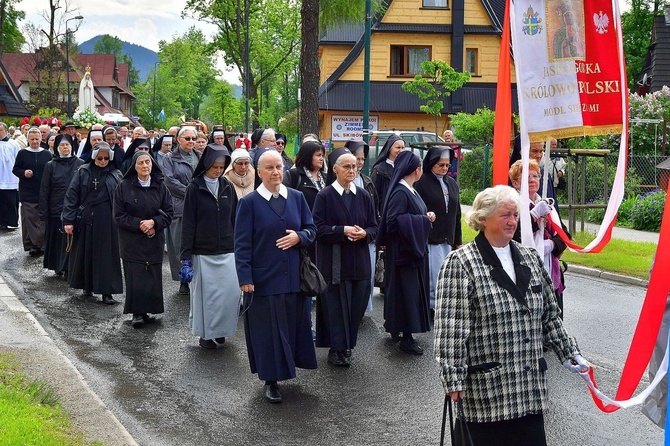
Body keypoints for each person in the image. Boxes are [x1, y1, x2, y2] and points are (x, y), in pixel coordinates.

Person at [434, 185, 587, 445]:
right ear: (483, 218)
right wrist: (452, 377)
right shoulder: (461, 262)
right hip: (487, 396)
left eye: (516, 215)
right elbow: (451, 329)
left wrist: (569, 352)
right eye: (506, 214)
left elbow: (549, 316)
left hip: (528, 393)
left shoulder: (530, 258)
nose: (513, 221)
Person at [234, 150, 317, 403]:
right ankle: (270, 380)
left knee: (293, 326)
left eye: (279, 167)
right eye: (269, 168)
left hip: (293, 277)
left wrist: (299, 237)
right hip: (264, 279)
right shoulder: (249, 203)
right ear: (259, 173)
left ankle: (290, 369)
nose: (275, 172)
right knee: (268, 332)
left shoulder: (297, 197)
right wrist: (245, 278)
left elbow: (311, 229)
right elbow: (242, 244)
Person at [313, 151, 378, 367]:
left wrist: (365, 234)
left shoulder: (363, 195)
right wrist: (342, 230)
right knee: (335, 306)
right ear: (335, 169)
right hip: (334, 262)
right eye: (346, 167)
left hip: (358, 260)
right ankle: (335, 348)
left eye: (355, 166)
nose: (352, 170)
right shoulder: (325, 196)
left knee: (355, 304)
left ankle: (348, 345)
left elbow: (374, 226)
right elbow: (318, 229)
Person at [181, 144, 239, 348]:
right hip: (203, 253)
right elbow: (188, 224)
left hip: (227, 250)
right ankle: (206, 335)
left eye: (222, 167)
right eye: (215, 166)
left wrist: (239, 246)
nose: (218, 170)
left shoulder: (227, 186)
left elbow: (235, 219)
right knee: (207, 298)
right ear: (206, 165)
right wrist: (185, 257)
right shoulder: (194, 188)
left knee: (228, 295)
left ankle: (221, 330)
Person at [377, 150, 433, 355]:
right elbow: (394, 221)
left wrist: (424, 216)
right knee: (407, 294)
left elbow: (406, 216)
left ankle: (397, 327)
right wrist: (423, 221)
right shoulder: (401, 192)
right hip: (404, 254)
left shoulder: (410, 190)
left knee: (404, 293)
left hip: (408, 252)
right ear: (416, 170)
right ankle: (407, 337)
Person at [114, 151, 173, 328]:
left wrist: (154, 222)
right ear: (134, 167)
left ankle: (149, 309)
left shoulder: (160, 186)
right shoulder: (124, 186)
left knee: (152, 276)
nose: (145, 166)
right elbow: (118, 215)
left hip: (153, 237)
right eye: (141, 163)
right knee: (136, 276)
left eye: (148, 162)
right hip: (132, 239)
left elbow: (169, 213)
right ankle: (137, 313)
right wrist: (139, 223)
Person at [62, 142, 123, 305]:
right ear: (94, 157)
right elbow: (71, 196)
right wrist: (68, 220)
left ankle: (107, 291)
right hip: (86, 220)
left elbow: (123, 199)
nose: (103, 161)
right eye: (100, 158)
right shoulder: (83, 172)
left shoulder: (116, 174)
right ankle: (86, 286)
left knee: (107, 257)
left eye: (105, 158)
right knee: (85, 253)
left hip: (108, 222)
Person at [509, 159, 568, 316]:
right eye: (526, 177)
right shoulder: (512, 206)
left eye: (535, 176)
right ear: (515, 183)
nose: (532, 180)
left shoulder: (546, 205)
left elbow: (565, 236)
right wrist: (534, 215)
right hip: (524, 274)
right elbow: (514, 235)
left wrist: (550, 245)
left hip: (550, 272)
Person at [414, 146, 462, 312]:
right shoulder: (421, 182)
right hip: (431, 238)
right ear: (432, 162)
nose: (444, 168)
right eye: (440, 164)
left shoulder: (452, 183)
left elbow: (457, 214)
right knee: (432, 276)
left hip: (448, 238)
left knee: (446, 276)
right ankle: (430, 307)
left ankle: (441, 306)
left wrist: (458, 240)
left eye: (447, 165)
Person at [163, 126, 201, 296]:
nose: (191, 142)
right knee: (179, 243)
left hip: (199, 206)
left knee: (197, 242)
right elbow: (169, 181)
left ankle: (198, 276)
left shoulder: (200, 156)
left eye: (194, 139)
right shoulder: (169, 158)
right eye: (187, 139)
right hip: (179, 206)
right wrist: (191, 193)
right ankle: (183, 280)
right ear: (178, 140)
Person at [39, 135, 84, 276]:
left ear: (72, 146)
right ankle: (59, 265)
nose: (65, 147)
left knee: (72, 239)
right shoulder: (50, 165)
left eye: (68, 145)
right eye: (62, 145)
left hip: (74, 208)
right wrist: (43, 211)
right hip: (56, 207)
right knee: (59, 239)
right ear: (57, 147)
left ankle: (70, 267)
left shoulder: (80, 163)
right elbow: (45, 189)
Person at [348, 140, 380, 314]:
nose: (359, 162)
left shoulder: (367, 181)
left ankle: (362, 308)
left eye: (362, 159)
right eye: (356, 158)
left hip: (366, 235)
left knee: (367, 274)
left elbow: (375, 210)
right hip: (348, 235)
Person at [13, 127, 53, 256]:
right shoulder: (22, 153)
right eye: (32, 139)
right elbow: (16, 169)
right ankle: (31, 245)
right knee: (28, 219)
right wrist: (24, 173)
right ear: (28, 139)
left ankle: (42, 244)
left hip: (43, 192)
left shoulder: (47, 154)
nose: (35, 142)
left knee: (42, 219)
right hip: (28, 192)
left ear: (41, 139)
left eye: (37, 139)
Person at [371, 135, 404, 207]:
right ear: (389, 148)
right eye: (398, 147)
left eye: (402, 148)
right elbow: (374, 194)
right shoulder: (379, 169)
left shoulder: (404, 168)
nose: (401, 150)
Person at [0, 122, 20, 230]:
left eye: (0, 130)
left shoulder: (13, 144)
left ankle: (11, 222)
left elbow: (18, 159)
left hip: (10, 177)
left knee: (10, 201)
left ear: (6, 131)